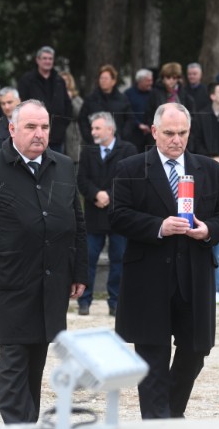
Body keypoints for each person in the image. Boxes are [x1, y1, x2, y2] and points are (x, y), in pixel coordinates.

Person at [0, 99, 87, 424]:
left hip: (52, 281)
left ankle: (27, 421)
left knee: (37, 360)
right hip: (9, 282)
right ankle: (21, 423)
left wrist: (79, 272)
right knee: (15, 360)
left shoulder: (64, 165)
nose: (39, 134)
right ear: (12, 129)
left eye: (44, 127)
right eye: (31, 127)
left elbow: (77, 223)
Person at [109, 102, 219, 419]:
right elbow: (119, 217)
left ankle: (170, 416)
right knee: (152, 358)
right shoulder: (131, 168)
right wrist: (159, 227)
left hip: (194, 277)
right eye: (169, 133)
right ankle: (158, 421)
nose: (176, 140)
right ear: (154, 132)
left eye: (182, 133)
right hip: (149, 278)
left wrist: (208, 230)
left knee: (196, 351)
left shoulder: (210, 168)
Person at [76, 112, 137, 316]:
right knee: (89, 258)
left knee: (119, 259)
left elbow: (129, 179)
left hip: (119, 214)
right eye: (92, 128)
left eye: (97, 128)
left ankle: (116, 302)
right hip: (94, 215)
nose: (93, 132)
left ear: (110, 130)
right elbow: (81, 179)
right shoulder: (87, 151)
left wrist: (110, 195)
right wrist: (96, 194)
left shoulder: (128, 149)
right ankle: (84, 301)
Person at [191, 81, 219, 304]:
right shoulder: (200, 117)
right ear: (212, 96)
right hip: (203, 173)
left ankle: (216, 288)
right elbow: (194, 145)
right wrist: (209, 159)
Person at [16, 46, 72, 154]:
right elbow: (21, 106)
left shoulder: (59, 80)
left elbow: (67, 105)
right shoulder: (27, 80)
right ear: (38, 60)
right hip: (33, 137)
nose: (48, 61)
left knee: (55, 168)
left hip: (57, 137)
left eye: (50, 59)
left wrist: (62, 126)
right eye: (45, 58)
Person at [78, 64, 134, 144]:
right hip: (94, 143)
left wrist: (122, 137)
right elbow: (82, 119)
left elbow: (130, 120)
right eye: (101, 78)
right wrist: (89, 137)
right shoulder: (90, 99)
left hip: (117, 143)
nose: (103, 81)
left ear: (113, 81)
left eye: (106, 78)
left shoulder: (123, 100)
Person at [143, 62, 195, 129]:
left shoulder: (184, 93)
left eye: (174, 78)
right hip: (161, 130)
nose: (171, 80)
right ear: (163, 78)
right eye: (168, 77)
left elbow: (191, 114)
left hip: (180, 129)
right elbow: (149, 114)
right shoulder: (155, 93)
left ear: (178, 78)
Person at [124, 68, 154, 153]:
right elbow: (128, 112)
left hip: (151, 134)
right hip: (134, 134)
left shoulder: (153, 94)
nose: (151, 83)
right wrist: (138, 124)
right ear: (140, 81)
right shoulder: (128, 94)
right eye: (148, 81)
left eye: (151, 80)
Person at [59, 70, 84, 168]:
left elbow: (80, 114)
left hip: (72, 135)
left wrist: (69, 100)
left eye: (66, 80)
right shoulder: (54, 97)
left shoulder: (76, 98)